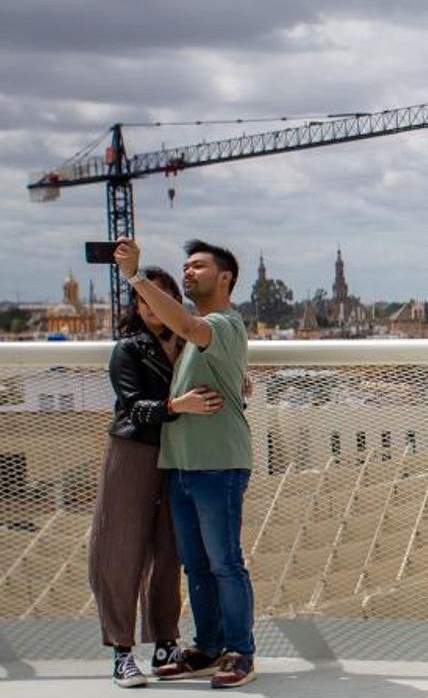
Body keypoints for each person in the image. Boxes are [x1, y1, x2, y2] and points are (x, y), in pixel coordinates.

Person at [115, 238, 257, 690]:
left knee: (225, 564)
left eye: (198, 266)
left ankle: (241, 652)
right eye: (186, 267)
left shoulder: (223, 323)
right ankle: (209, 647)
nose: (189, 273)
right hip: (183, 467)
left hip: (218, 464)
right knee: (196, 566)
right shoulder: (189, 335)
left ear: (226, 278)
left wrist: (136, 277)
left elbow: (186, 324)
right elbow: (173, 333)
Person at [89, 266, 225, 688]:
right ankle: (121, 651)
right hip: (133, 452)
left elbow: (215, 376)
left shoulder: (189, 343)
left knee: (170, 551)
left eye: (161, 297)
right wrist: (177, 405)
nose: (152, 307)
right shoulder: (128, 349)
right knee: (120, 550)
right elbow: (133, 409)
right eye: (144, 299)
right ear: (136, 304)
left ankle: (165, 640)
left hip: (176, 456)